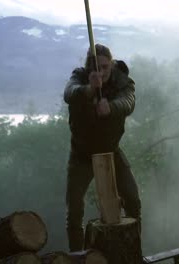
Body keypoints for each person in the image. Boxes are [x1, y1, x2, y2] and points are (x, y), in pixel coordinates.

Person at [63, 43, 141, 252]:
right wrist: (89, 89)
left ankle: (134, 251)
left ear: (112, 65)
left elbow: (128, 101)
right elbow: (69, 93)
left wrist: (111, 107)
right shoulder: (80, 77)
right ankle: (76, 256)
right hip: (81, 154)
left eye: (106, 67)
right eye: (97, 67)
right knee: (75, 208)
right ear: (89, 67)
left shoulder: (122, 80)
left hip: (110, 150)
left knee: (133, 199)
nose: (102, 72)